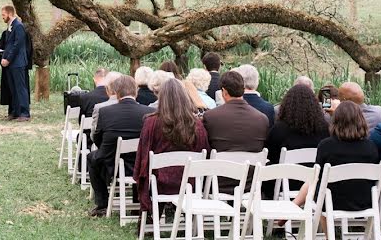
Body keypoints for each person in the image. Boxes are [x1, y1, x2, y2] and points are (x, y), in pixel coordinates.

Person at [134, 78, 210, 217]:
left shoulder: (151, 122)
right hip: (189, 182)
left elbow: (143, 155)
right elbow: (204, 153)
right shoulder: (197, 124)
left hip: (159, 181)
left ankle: (151, 220)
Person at [292, 101, 380, 212]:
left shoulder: (326, 145)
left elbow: (316, 177)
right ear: (361, 121)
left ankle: (325, 229)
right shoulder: (371, 147)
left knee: (315, 182)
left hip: (331, 202)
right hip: (365, 201)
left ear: (335, 121)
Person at [87, 75, 154, 217]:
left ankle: (102, 204)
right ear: (136, 91)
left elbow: (97, 138)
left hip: (112, 163)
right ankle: (137, 202)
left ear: (115, 92)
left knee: (92, 158)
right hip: (141, 164)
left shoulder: (105, 112)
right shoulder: (148, 112)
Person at [203, 71, 270, 153]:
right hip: (251, 164)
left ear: (224, 92)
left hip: (219, 165)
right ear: (243, 89)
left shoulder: (210, 117)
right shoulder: (262, 119)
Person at [265, 83, 329, 166]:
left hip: (284, 176)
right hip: (313, 176)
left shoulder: (279, 129)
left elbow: (270, 155)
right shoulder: (324, 128)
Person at [0, 5, 30, 121]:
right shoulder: (10, 26)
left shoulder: (18, 26)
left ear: (9, 14)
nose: (2, 17)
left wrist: (8, 59)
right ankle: (15, 111)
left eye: (3, 15)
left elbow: (17, 45)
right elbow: (8, 45)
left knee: (20, 88)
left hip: (17, 62)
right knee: (12, 88)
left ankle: (24, 113)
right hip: (11, 63)